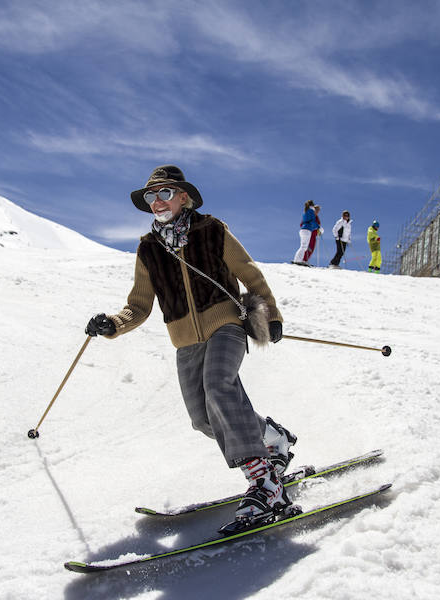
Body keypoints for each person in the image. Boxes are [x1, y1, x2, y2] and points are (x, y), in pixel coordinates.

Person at [85, 164, 297, 524]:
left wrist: (271, 314)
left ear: (184, 197)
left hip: (225, 324)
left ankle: (265, 484)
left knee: (219, 387)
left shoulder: (211, 230)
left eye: (165, 193)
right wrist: (113, 324)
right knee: (202, 418)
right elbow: (139, 305)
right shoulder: (149, 250)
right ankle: (273, 437)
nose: (157, 201)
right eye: (151, 196)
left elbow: (249, 273)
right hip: (185, 340)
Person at [292, 200, 317, 266]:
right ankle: (298, 260)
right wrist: (318, 227)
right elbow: (313, 221)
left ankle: (298, 259)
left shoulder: (306, 211)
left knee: (303, 246)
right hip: (307, 230)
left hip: (303, 230)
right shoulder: (311, 211)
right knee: (304, 246)